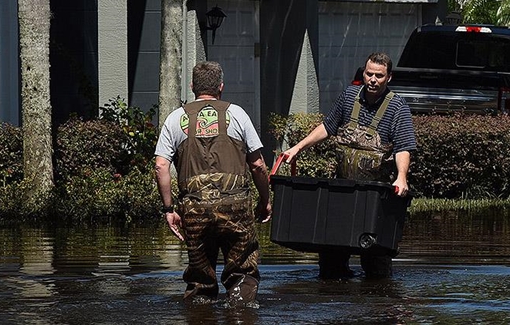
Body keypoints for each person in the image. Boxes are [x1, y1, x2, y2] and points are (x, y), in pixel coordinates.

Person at [282, 52, 416, 279]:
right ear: (363, 74)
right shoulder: (349, 96)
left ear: (389, 78)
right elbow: (327, 127)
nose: (373, 80)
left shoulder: (397, 107)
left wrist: (401, 176)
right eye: (369, 74)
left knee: (376, 268)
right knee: (330, 261)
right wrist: (297, 148)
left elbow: (404, 147)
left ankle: (378, 295)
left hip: (375, 198)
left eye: (379, 76)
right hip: (342, 193)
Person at [154, 61, 272, 305]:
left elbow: (161, 166)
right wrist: (265, 200)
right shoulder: (237, 114)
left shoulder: (175, 118)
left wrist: (169, 209)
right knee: (242, 273)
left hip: (195, 210)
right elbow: (258, 165)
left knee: (200, 281)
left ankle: (199, 313)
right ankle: (241, 312)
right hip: (236, 209)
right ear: (221, 87)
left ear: (192, 87)